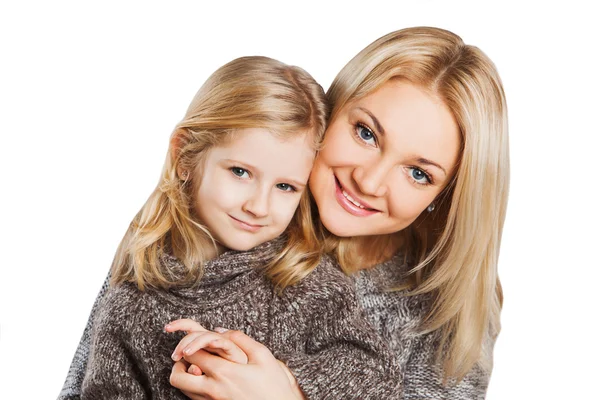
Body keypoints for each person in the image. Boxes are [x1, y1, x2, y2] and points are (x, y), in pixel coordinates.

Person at [62, 26, 509, 399]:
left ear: (447, 193)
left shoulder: (449, 304)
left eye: (417, 173)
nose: (369, 182)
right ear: (329, 112)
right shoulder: (207, 227)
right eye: (366, 133)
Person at [68, 56, 400, 400]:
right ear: (185, 156)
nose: (258, 206)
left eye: (285, 187)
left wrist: (277, 385)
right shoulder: (131, 300)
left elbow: (376, 376)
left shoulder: (304, 279)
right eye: (240, 172)